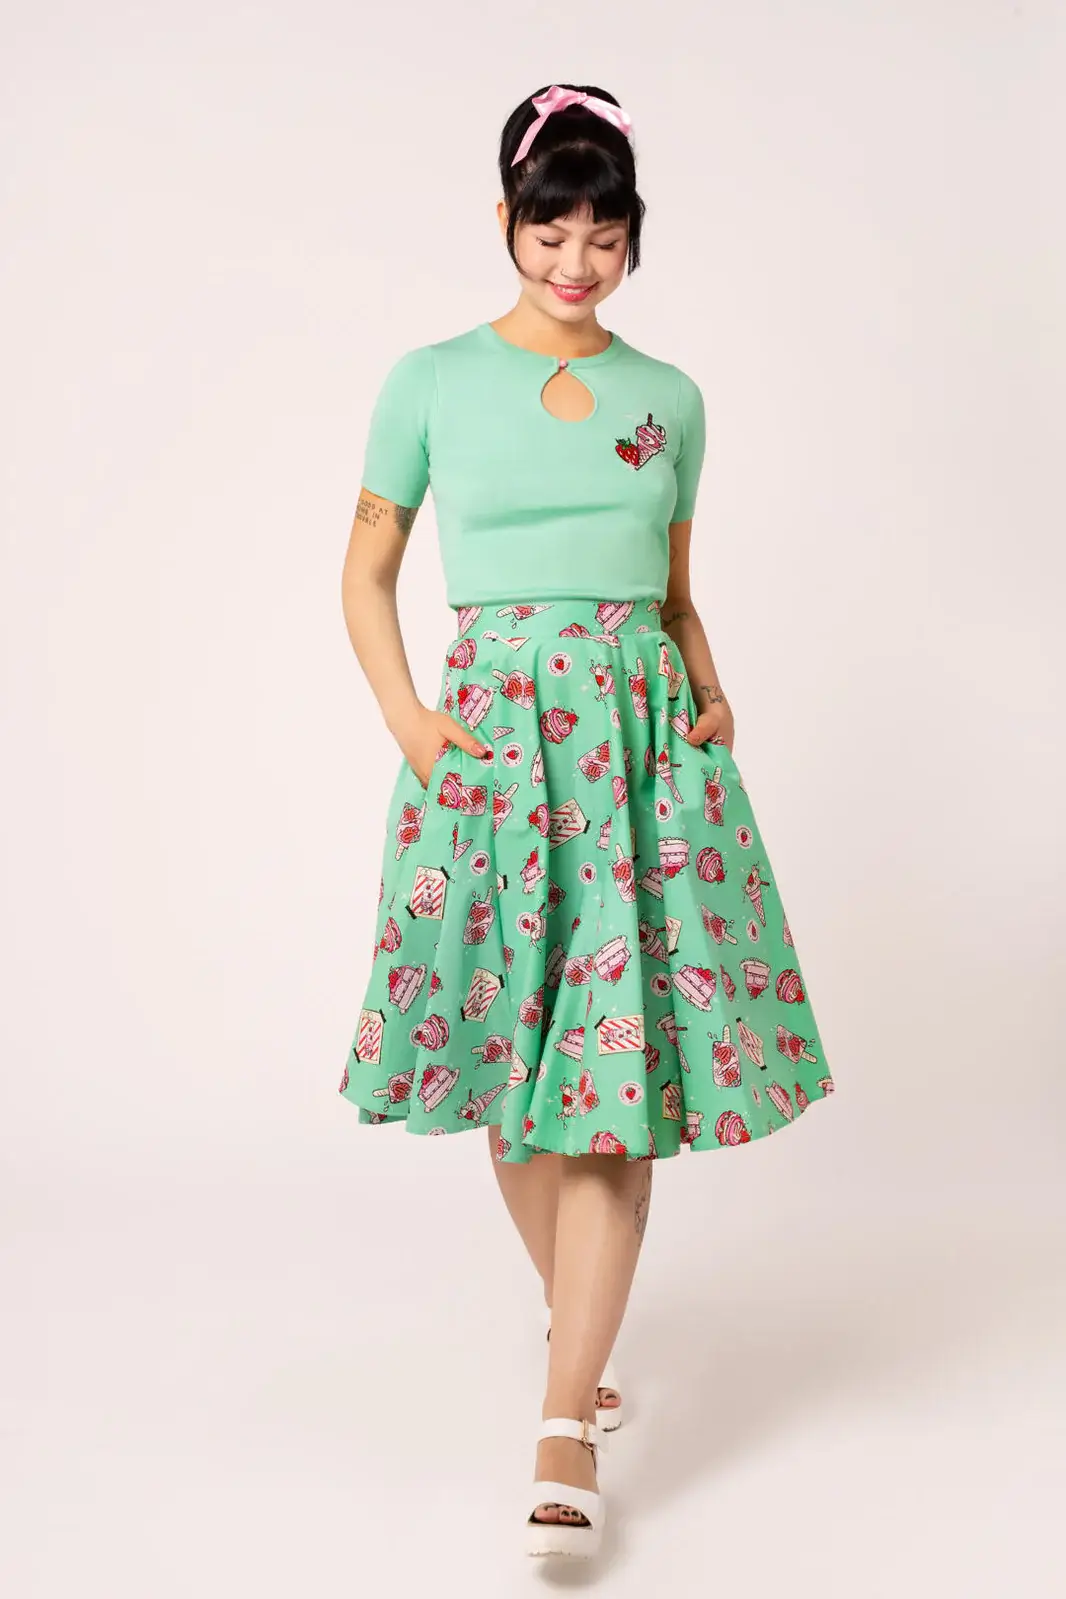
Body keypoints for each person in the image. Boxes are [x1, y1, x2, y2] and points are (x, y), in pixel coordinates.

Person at [338, 81, 835, 1561]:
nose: (576, 261)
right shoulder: (430, 380)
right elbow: (364, 575)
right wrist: (413, 726)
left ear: (632, 239)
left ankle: (566, 1420)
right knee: (517, 1068)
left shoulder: (669, 397)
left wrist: (711, 688)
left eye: (603, 236)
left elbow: (674, 596)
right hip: (491, 751)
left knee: (617, 1080)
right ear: (506, 220)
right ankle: (584, 1326)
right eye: (550, 230)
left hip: (639, 753)